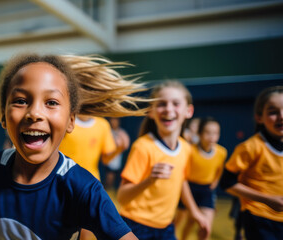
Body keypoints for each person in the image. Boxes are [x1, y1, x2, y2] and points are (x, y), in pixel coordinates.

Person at [0, 53, 149, 240]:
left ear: (71, 121)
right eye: (20, 100)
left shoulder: (83, 188)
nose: (34, 113)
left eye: (51, 102)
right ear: (4, 117)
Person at [117, 81, 210, 240]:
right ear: (151, 112)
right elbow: (122, 197)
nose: (168, 109)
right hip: (136, 224)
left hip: (166, 226)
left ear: (188, 111)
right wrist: (149, 180)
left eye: (175, 103)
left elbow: (181, 180)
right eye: (161, 104)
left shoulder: (186, 148)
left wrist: (196, 213)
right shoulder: (143, 147)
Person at [219, 86, 283, 240]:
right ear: (259, 117)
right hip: (259, 217)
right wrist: (268, 200)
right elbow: (227, 183)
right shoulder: (250, 148)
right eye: (273, 112)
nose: (281, 116)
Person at [59, 114, 130, 240]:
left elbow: (106, 159)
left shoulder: (102, 125)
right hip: (61, 183)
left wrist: (119, 148)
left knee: (85, 233)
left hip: (89, 186)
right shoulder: (65, 119)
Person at [175, 117, 227, 240]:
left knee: (205, 227)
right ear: (200, 134)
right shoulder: (190, 150)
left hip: (206, 190)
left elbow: (219, 170)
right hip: (189, 189)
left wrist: (215, 182)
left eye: (215, 133)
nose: (211, 136)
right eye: (207, 132)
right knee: (184, 222)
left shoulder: (221, 152)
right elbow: (182, 171)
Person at [105, 117, 130, 191]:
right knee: (109, 178)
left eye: (115, 120)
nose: (114, 122)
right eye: (112, 120)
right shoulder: (107, 131)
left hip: (119, 162)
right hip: (108, 161)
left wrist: (119, 148)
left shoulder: (122, 133)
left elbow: (126, 145)